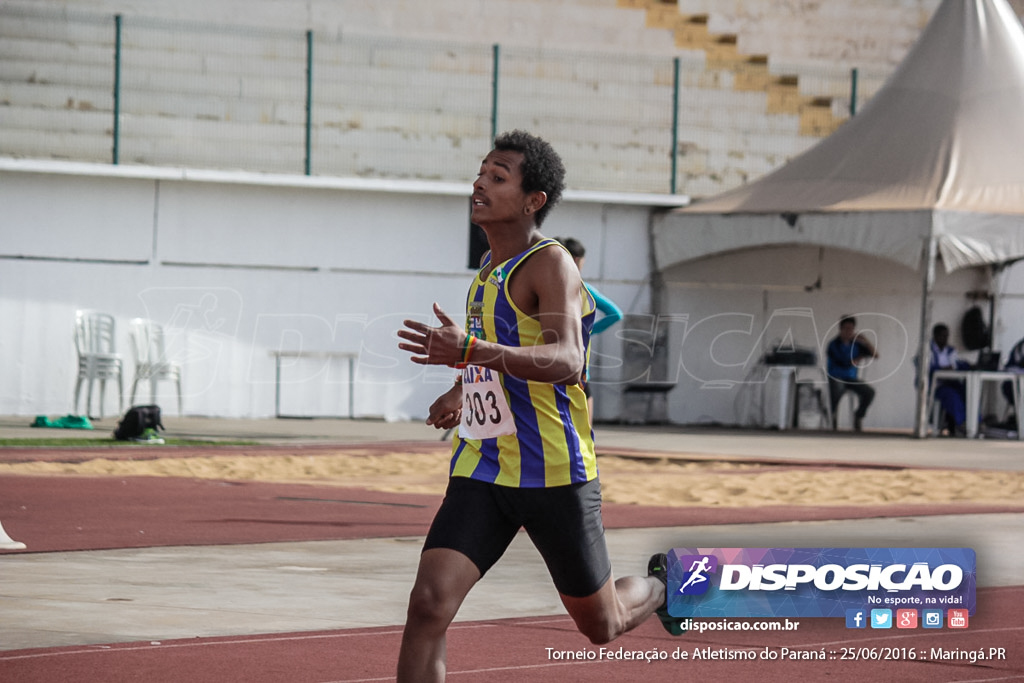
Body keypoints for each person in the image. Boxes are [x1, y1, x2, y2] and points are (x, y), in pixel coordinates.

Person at [395, 131, 677, 682]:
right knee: (428, 605)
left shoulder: (551, 265)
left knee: (601, 624)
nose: (479, 183)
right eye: (480, 173)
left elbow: (568, 359)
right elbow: (494, 361)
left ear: (532, 201)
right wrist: (460, 387)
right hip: (484, 468)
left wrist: (471, 350)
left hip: (554, 474)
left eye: (497, 176)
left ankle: (666, 585)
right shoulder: (485, 275)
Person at [555, 236, 623, 423]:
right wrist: (587, 331)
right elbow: (615, 313)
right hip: (578, 370)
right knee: (583, 430)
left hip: (547, 367)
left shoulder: (541, 289)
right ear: (576, 260)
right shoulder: (583, 288)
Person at [825, 315, 878, 431]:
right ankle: (832, 417)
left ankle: (858, 415)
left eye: (851, 329)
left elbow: (875, 355)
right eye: (846, 329)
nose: (849, 332)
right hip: (836, 377)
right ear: (841, 329)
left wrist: (865, 341)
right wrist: (857, 359)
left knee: (869, 392)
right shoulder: (833, 344)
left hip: (851, 379)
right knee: (836, 391)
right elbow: (843, 362)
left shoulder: (857, 345)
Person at [929, 323, 969, 435]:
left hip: (952, 382)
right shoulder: (928, 350)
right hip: (936, 385)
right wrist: (945, 368)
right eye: (942, 336)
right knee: (951, 396)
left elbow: (956, 364)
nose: (945, 339)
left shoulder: (951, 350)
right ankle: (961, 423)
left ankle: (975, 422)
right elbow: (929, 369)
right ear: (935, 336)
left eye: (947, 336)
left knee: (967, 392)